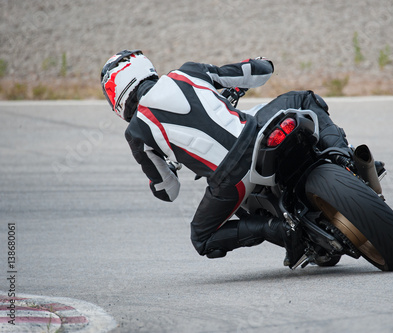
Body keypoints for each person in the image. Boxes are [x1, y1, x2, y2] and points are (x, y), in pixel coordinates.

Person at [100, 50, 351, 268]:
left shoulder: (136, 133)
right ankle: (343, 157)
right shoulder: (187, 72)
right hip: (254, 135)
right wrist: (260, 62)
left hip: (231, 179)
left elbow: (168, 191)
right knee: (304, 99)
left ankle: (278, 229)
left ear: (117, 93)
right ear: (144, 67)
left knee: (201, 238)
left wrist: (165, 170)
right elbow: (260, 71)